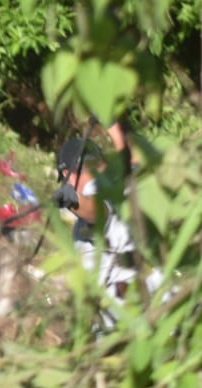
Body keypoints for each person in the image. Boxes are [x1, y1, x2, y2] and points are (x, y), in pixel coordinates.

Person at [53, 124, 161, 316]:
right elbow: (131, 157)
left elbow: (97, 212)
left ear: (69, 173)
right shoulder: (119, 181)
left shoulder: (95, 187)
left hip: (125, 309)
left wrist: (71, 202)